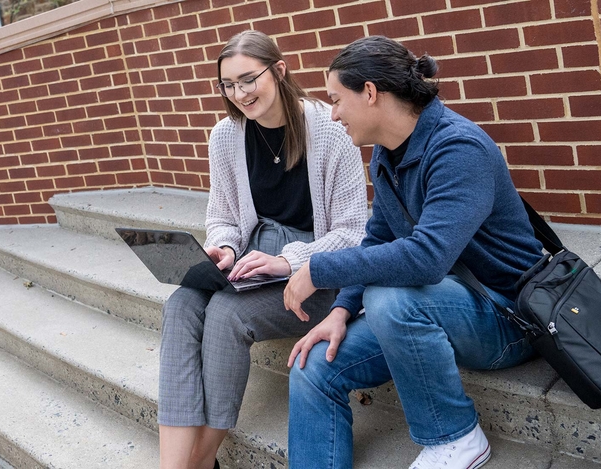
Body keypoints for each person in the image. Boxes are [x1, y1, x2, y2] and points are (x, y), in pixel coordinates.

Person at [283, 36, 544, 469]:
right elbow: (379, 240)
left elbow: (427, 258)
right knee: (312, 365)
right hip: (432, 313)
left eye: (336, 99)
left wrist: (318, 268)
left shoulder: (459, 148)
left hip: (506, 316)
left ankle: (455, 438)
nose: (332, 114)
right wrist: (341, 310)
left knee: (389, 298)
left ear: (369, 93)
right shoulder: (386, 154)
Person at [158, 30, 368, 469]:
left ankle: (202, 459)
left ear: (279, 71)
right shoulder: (225, 136)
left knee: (225, 315)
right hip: (253, 260)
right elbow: (222, 217)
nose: (239, 94)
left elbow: (353, 232)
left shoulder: (330, 130)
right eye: (228, 85)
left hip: (317, 270)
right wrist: (225, 249)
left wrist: (287, 259)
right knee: (180, 305)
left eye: (248, 79)